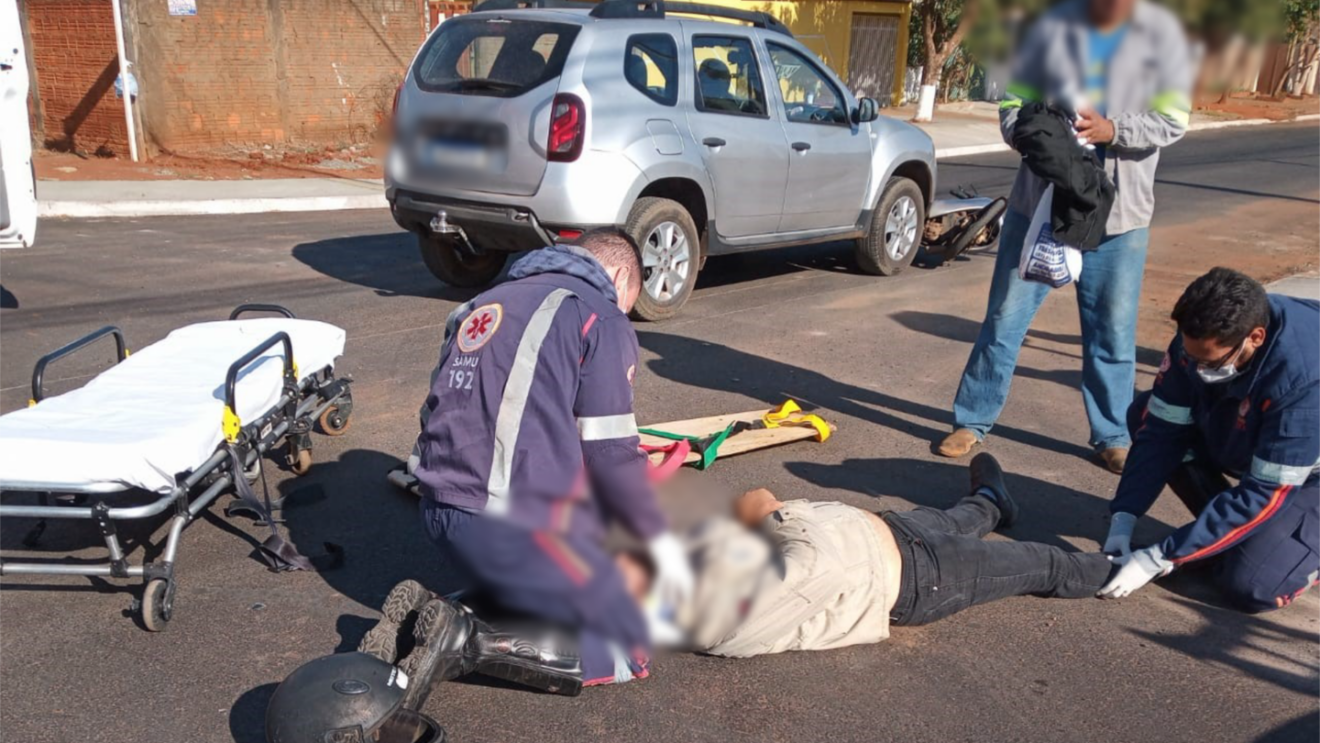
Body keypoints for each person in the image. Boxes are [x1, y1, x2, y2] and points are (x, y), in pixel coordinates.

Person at [374, 230, 694, 699]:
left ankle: (430, 617)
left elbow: (436, 412)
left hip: (440, 515)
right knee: (630, 644)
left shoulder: (479, 305)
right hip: (510, 528)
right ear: (623, 275)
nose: (627, 311)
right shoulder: (598, 315)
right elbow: (608, 452)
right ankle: (466, 643)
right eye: (631, 299)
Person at [938, 0, 1192, 474]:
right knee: (1004, 318)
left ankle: (1113, 433)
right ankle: (972, 420)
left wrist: (1114, 129)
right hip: (1039, 209)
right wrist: (1034, 140)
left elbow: (1174, 118)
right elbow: (1013, 104)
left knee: (1112, 333)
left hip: (1120, 216)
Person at [622, 454, 1113, 657]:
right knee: (1045, 564)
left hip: (888, 531)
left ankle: (990, 502)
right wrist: (772, 516)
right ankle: (1134, 566)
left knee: (967, 516)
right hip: (920, 578)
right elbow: (818, 563)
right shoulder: (717, 619)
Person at [1098, 269, 1320, 611]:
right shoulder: (1203, 333)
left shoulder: (1302, 380)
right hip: (1262, 441)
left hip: (1309, 473)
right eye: (1192, 358)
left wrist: (1162, 556)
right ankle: (1231, 532)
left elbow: (1268, 490)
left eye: (1210, 361)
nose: (1198, 369)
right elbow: (1161, 431)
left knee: (1251, 585)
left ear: (1255, 338)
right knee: (1145, 414)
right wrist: (1124, 514)